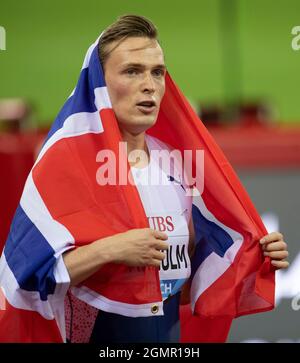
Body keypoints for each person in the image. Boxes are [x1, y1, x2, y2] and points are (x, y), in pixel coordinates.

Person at [0, 15, 289, 343]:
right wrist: (110, 249)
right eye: (132, 71)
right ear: (99, 83)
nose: (149, 84)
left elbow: (179, 286)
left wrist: (252, 256)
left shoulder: (177, 163)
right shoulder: (63, 164)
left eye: (157, 72)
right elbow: (24, 277)